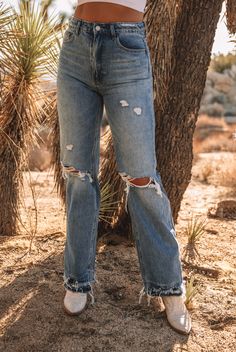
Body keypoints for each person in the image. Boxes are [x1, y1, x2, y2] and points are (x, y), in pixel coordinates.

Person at [56, 0, 192, 335]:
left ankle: (169, 286)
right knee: (77, 173)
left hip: (126, 48)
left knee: (142, 176)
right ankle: (78, 279)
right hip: (75, 45)